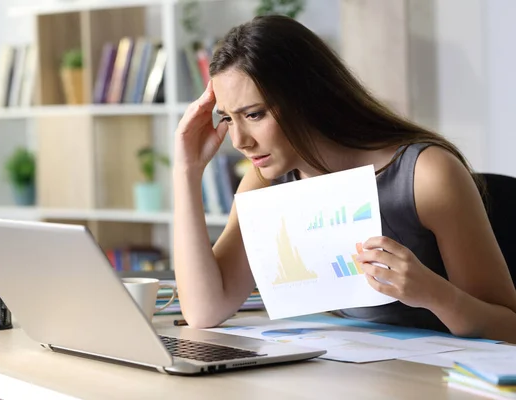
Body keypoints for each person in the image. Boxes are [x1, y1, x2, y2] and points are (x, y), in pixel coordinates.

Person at [172, 15, 516, 342]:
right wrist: (187, 171)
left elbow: (509, 328)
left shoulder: (427, 176)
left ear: (306, 99)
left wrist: (434, 294)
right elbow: (204, 310)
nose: (239, 141)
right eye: (229, 119)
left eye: (254, 114)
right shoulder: (266, 182)